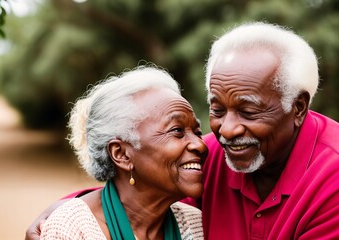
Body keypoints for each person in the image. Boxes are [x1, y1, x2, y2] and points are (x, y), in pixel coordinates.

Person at [26, 22, 339, 240]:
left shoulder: (331, 179)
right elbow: (144, 186)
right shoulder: (220, 154)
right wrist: (68, 211)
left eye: (248, 110)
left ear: (297, 108)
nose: (225, 131)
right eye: (216, 109)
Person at [37, 66, 207, 239]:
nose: (200, 145)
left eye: (198, 132)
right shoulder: (71, 229)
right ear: (121, 154)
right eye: (177, 130)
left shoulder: (195, 225)